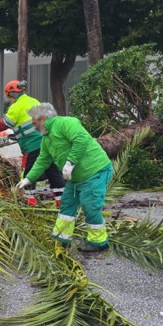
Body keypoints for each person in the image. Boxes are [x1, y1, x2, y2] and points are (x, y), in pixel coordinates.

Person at [15, 103, 113, 252]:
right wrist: (28, 179)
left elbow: (81, 140)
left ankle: (99, 241)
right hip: (75, 179)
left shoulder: (66, 123)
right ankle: (61, 238)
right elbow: (42, 160)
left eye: (34, 123)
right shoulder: (46, 139)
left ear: (43, 119)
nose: (34, 127)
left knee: (90, 205)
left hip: (94, 172)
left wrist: (70, 162)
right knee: (67, 205)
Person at [0, 80, 64, 205]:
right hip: (47, 142)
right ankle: (61, 202)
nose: (9, 100)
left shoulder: (16, 107)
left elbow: (4, 124)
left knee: (28, 173)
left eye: (8, 97)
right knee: (53, 172)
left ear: (11, 94)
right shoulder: (34, 101)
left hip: (32, 145)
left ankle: (30, 202)